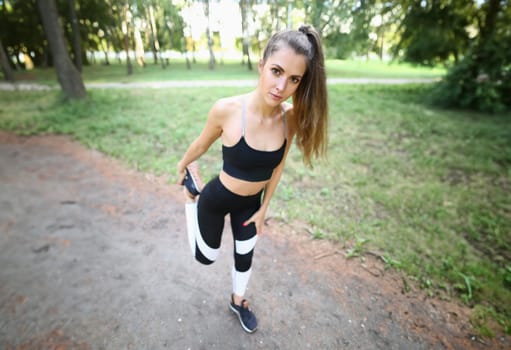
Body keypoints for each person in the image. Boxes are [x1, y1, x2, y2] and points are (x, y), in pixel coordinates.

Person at [176, 24, 328, 333]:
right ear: (261, 66)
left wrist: (265, 207)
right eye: (276, 71)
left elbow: (278, 167)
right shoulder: (227, 110)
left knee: (245, 256)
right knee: (205, 258)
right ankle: (192, 197)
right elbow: (202, 144)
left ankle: (238, 299)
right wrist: (183, 165)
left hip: (251, 204)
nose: (281, 85)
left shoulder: (291, 119)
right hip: (216, 199)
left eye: (294, 79)